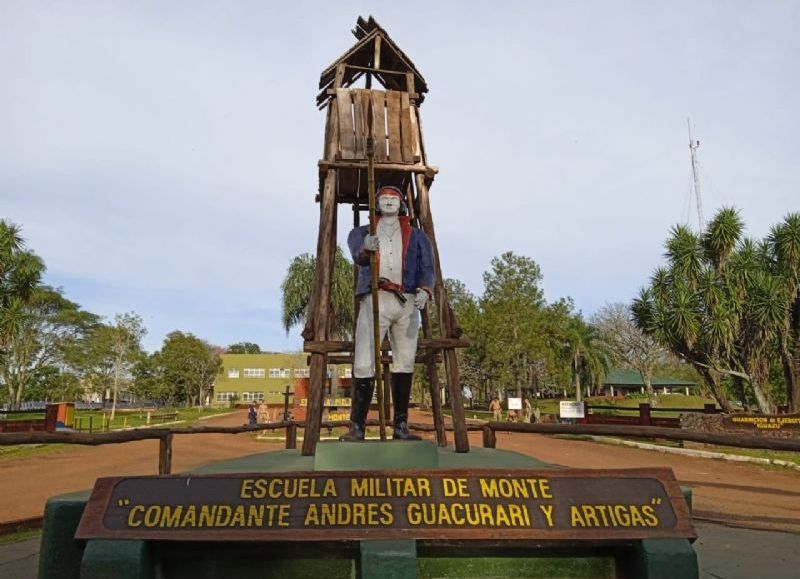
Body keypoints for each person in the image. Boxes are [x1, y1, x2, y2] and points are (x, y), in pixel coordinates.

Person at [340, 185, 434, 442]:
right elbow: (358, 255)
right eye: (384, 198)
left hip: (407, 301)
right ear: (377, 204)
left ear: (401, 203)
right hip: (375, 298)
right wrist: (365, 249)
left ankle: (401, 426)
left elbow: (426, 265)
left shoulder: (417, 236)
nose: (389, 202)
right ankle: (357, 427)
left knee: (404, 361)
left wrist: (426, 289)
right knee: (363, 360)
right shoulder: (361, 232)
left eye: (394, 198)